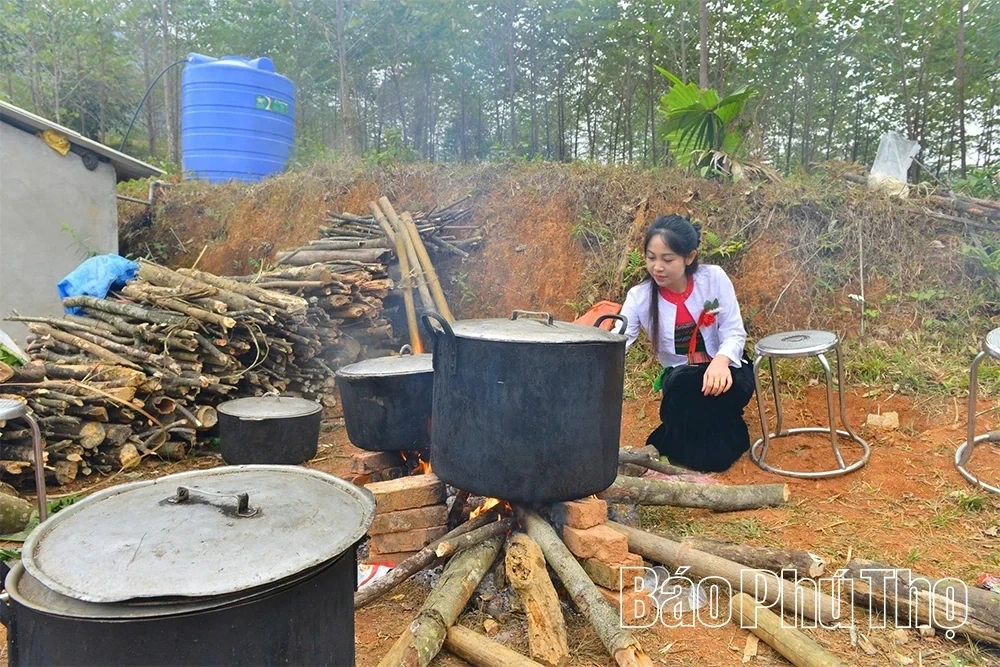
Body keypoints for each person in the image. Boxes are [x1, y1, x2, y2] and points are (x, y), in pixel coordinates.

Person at [619, 214, 755, 472]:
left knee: (720, 394)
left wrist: (721, 362)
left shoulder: (713, 278)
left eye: (667, 259)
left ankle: (694, 434)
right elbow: (619, 339)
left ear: (689, 257)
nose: (657, 267)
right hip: (683, 378)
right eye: (651, 258)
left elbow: (734, 331)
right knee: (685, 387)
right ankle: (717, 432)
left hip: (727, 369)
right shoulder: (639, 297)